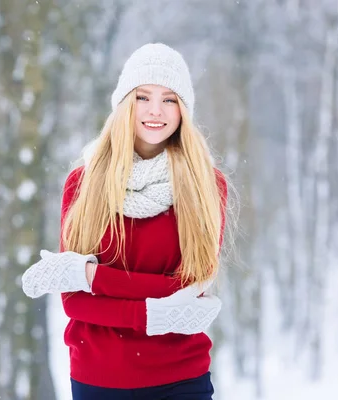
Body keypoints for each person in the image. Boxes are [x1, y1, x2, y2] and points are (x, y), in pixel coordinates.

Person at [21, 43, 229, 400]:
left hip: (181, 378)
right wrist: (155, 313)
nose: (155, 111)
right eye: (143, 97)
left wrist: (91, 276)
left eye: (169, 99)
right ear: (123, 104)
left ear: (184, 110)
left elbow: (188, 290)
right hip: (98, 379)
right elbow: (75, 303)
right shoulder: (83, 184)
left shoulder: (207, 186)